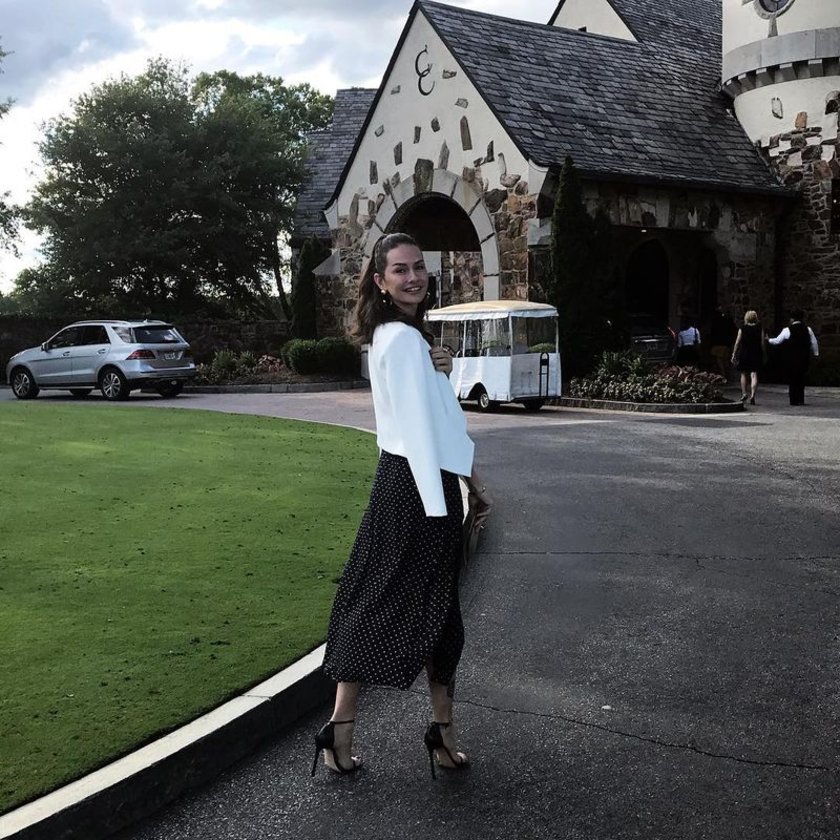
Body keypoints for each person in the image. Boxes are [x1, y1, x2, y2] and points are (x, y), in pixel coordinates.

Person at [313, 232, 492, 780]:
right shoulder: (401, 340)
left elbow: (435, 417)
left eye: (418, 267)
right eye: (400, 270)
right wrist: (456, 496)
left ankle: (392, 730)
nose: (413, 277)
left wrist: (442, 370)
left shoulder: (403, 337)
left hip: (409, 482)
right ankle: (364, 729)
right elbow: (422, 433)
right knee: (393, 606)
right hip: (418, 488)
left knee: (401, 605)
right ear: (380, 280)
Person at [768, 309, 819, 405]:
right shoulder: (808, 329)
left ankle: (794, 399)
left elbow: (777, 341)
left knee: (792, 379)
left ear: (792, 319)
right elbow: (814, 342)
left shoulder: (787, 330)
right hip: (804, 358)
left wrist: (769, 340)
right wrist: (816, 353)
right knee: (801, 379)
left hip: (791, 359)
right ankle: (800, 399)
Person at [730, 310, 766, 405]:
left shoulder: (743, 328)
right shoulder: (759, 328)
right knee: (754, 374)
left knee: (743, 374)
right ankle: (753, 395)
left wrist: (734, 353)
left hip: (745, 353)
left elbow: (737, 342)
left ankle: (744, 393)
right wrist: (764, 353)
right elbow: (762, 343)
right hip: (756, 353)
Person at [709, 307, 737, 380]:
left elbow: (712, 332)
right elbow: (734, 331)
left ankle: (723, 375)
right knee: (724, 361)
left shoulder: (716, 321)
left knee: (718, 360)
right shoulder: (728, 320)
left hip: (718, 343)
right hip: (726, 343)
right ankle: (725, 375)